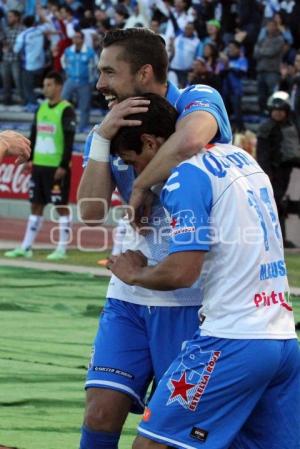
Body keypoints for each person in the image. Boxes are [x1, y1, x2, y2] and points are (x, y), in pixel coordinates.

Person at [109, 93, 300, 449]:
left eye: (133, 161)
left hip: (232, 338)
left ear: (152, 142)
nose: (139, 173)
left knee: (151, 444)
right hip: (284, 339)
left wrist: (134, 273)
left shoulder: (184, 178)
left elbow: (182, 271)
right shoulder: (242, 157)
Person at [77, 27, 232, 449]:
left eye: (109, 72)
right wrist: (103, 138)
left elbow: (191, 139)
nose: (99, 84)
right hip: (128, 297)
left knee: (166, 433)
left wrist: (142, 184)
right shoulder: (110, 127)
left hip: (192, 300)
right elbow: (90, 213)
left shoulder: (195, 100)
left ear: (145, 73)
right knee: (100, 410)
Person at [4, 71, 76, 261]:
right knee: (35, 205)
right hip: (39, 166)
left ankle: (62, 248)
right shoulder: (41, 109)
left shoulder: (66, 110)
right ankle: (26, 247)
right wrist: (29, 159)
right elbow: (34, 136)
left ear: (59, 86)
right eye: (44, 85)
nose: (45, 88)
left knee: (60, 206)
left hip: (57, 168)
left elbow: (69, 140)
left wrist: (63, 165)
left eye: (49, 85)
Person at [256, 90, 300, 248]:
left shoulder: (291, 125)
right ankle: (277, 238)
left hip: (286, 171)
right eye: (275, 110)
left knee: (280, 203)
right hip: (272, 173)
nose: (278, 113)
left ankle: (280, 237)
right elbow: (262, 155)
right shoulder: (266, 128)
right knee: (275, 204)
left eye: (281, 110)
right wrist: (266, 176)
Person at [61, 29, 97, 132]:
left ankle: (82, 126)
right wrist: (67, 70)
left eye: (77, 37)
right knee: (63, 100)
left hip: (84, 81)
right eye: (74, 37)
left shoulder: (90, 52)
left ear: (82, 39)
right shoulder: (68, 50)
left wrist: (92, 79)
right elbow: (63, 61)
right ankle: (63, 122)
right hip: (71, 80)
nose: (75, 39)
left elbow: (96, 64)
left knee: (84, 105)